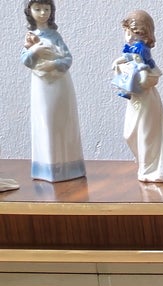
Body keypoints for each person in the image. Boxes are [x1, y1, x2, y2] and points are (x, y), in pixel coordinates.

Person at [112, 9, 163, 183]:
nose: (129, 37)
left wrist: (138, 73)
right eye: (127, 32)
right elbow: (127, 59)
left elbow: (151, 75)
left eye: (134, 33)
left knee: (146, 134)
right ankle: (145, 165)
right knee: (130, 133)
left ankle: (150, 169)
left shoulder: (142, 50)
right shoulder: (131, 48)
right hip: (135, 99)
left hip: (146, 99)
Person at [23, 0, 84, 183]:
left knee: (63, 120)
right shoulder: (30, 37)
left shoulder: (55, 35)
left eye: (46, 9)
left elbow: (67, 58)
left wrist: (54, 63)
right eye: (38, 9)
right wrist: (35, 49)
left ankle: (69, 167)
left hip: (60, 83)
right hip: (42, 84)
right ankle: (46, 167)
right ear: (30, 11)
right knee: (45, 121)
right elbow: (26, 60)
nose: (43, 13)